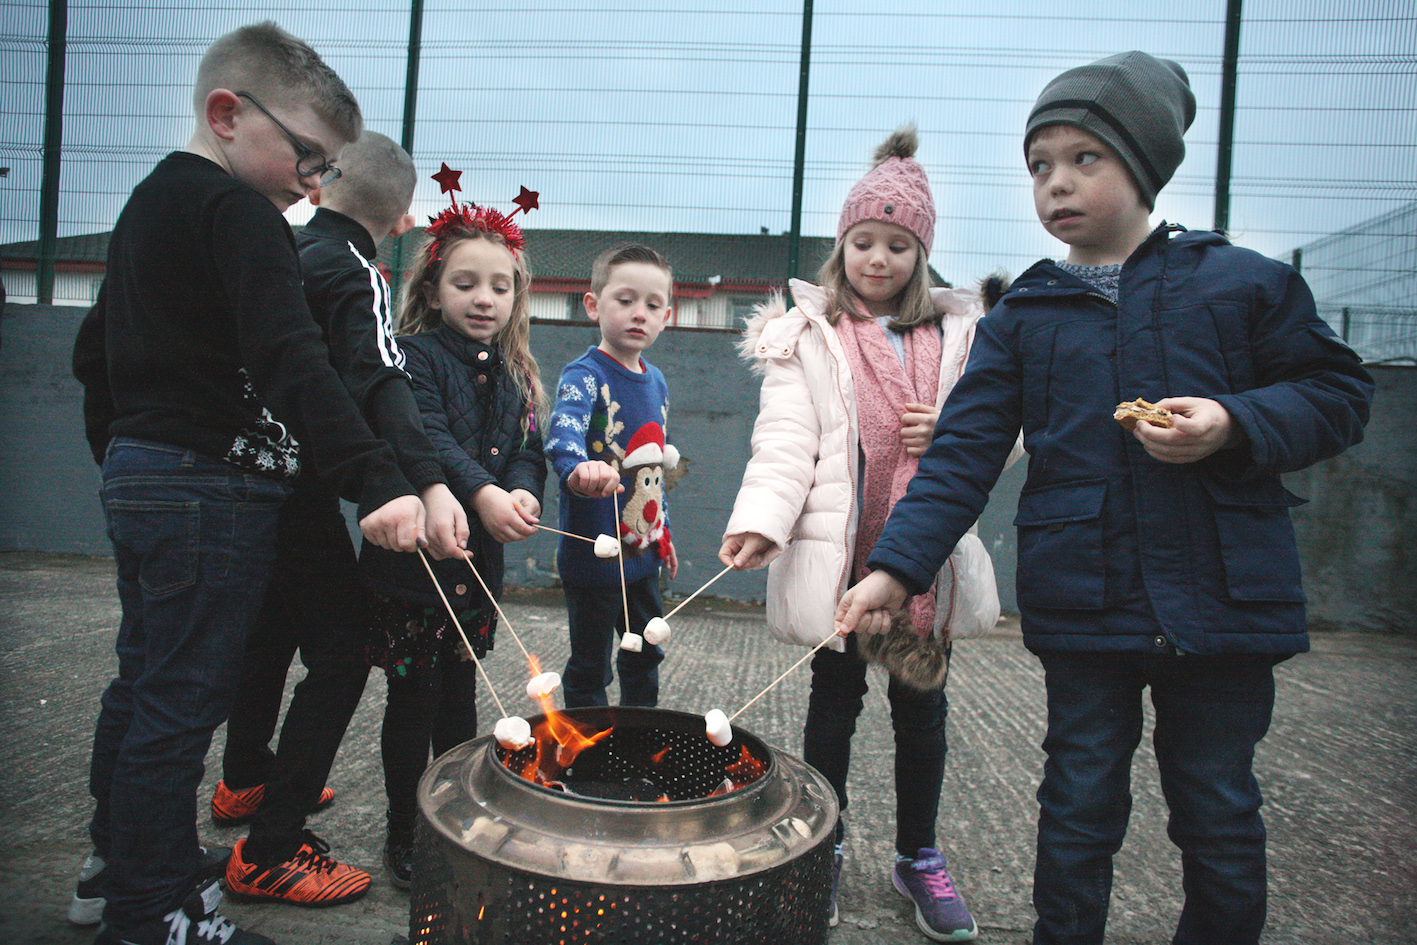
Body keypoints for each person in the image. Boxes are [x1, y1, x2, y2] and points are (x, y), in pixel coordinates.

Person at [835, 52, 1374, 945]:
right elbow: (963, 454)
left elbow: (1335, 393)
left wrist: (1233, 421)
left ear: (1145, 165)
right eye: (1039, 164)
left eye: (1085, 158)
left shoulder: (1243, 284)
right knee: (1078, 802)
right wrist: (896, 567)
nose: (1056, 183)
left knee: (1217, 807)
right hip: (1088, 601)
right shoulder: (1024, 316)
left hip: (1223, 599)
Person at [68, 21, 462, 945]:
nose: (311, 183)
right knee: (180, 701)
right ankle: (154, 907)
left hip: (151, 476)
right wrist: (377, 481)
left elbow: (97, 356)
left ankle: (115, 863)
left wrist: (130, 460)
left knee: (144, 683)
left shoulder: (147, 208)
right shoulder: (237, 212)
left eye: (326, 168)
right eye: (307, 156)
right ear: (226, 115)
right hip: (210, 485)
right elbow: (294, 361)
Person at [720, 127, 1011, 943]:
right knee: (833, 704)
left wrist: (950, 430)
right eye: (861, 241)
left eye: (896, 244)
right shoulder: (807, 337)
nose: (876, 259)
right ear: (840, 246)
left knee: (922, 712)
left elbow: (1008, 428)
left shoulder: (958, 337)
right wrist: (758, 522)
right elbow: (783, 443)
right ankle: (825, 840)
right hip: (838, 560)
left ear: (921, 254)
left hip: (924, 564)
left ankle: (918, 855)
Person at [217, 132, 468, 906]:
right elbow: (378, 378)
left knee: (270, 628)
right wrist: (424, 482)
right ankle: (272, 847)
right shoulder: (354, 270)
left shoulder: (284, 251)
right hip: (294, 482)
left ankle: (244, 778)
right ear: (400, 222)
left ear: (319, 187)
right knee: (340, 648)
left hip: (234, 466)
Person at [358, 195, 547, 888]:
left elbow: (527, 450)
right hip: (413, 570)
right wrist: (482, 492)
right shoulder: (412, 357)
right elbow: (427, 439)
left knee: (460, 696)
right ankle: (404, 827)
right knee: (412, 698)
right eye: (465, 283)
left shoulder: (517, 368)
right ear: (433, 289)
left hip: (475, 569)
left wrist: (524, 488)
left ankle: (456, 813)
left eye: (500, 286)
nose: (483, 298)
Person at [544, 244, 681, 709]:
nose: (638, 313)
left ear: (668, 315)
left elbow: (654, 473)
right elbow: (563, 433)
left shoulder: (657, 382)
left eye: (652, 304)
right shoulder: (583, 375)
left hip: (643, 556)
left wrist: (664, 535)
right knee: (590, 668)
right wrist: (577, 466)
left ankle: (638, 742)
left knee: (645, 655)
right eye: (625, 300)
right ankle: (590, 757)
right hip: (593, 557)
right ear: (593, 304)